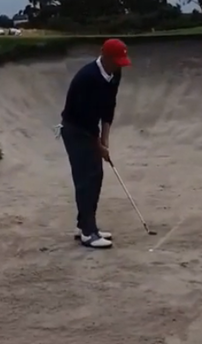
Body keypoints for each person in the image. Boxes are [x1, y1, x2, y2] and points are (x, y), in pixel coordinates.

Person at [59, 38, 131, 249]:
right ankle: (89, 233)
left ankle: (84, 226)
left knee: (95, 175)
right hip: (75, 128)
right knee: (86, 178)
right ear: (104, 56)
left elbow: (109, 107)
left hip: (89, 128)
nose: (119, 65)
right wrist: (98, 144)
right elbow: (85, 118)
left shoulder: (115, 74)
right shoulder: (87, 78)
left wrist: (105, 139)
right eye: (116, 60)